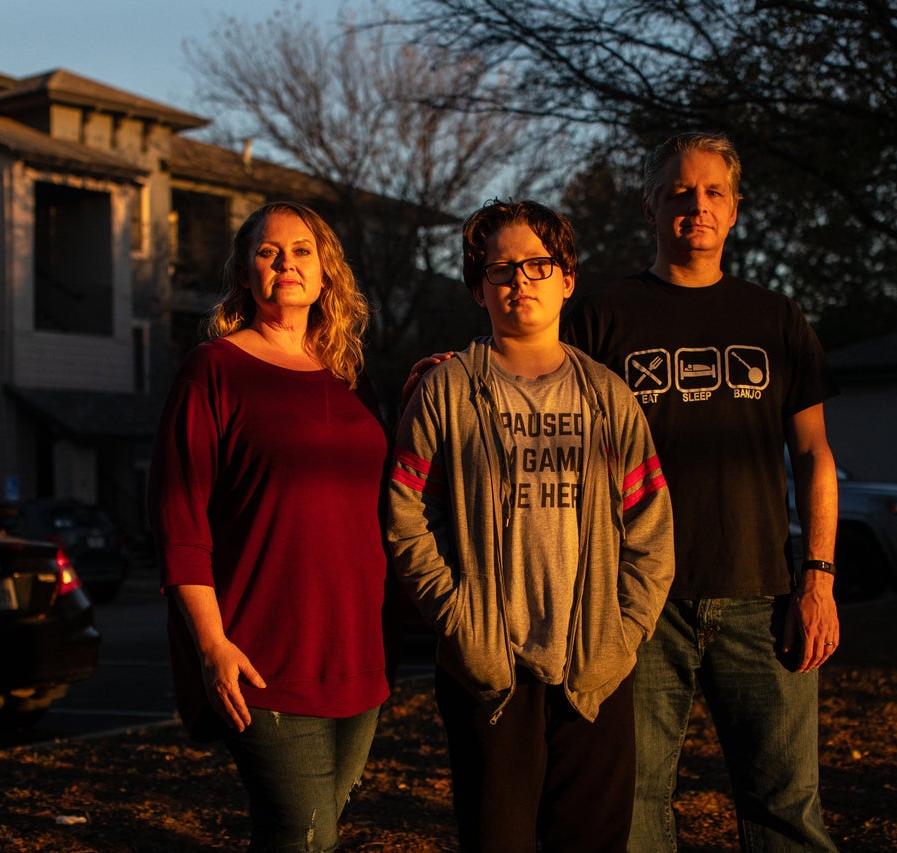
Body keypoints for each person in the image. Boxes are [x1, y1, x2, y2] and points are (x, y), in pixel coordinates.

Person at [562, 131, 841, 852]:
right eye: (680, 191)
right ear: (651, 206)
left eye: (714, 191)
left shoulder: (776, 318)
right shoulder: (600, 318)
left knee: (787, 808)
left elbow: (814, 454)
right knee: (634, 807)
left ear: (736, 210)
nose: (698, 205)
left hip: (765, 598)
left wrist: (819, 580)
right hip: (637, 604)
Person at [387, 199, 675, 853]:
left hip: (593, 671)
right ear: (478, 288)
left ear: (568, 277)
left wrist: (620, 635)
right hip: (490, 672)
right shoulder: (447, 392)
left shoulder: (608, 396)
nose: (521, 281)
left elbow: (651, 528)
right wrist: (462, 623)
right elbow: (406, 516)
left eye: (538, 265)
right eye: (502, 269)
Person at [149, 201, 393, 853]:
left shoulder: (350, 376)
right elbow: (180, 524)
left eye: (302, 250)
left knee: (310, 831)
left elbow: (388, 493)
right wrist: (211, 647)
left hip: (356, 650)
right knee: (304, 834)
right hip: (261, 654)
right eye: (268, 251)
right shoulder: (215, 370)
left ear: (325, 274)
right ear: (246, 273)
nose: (287, 262)